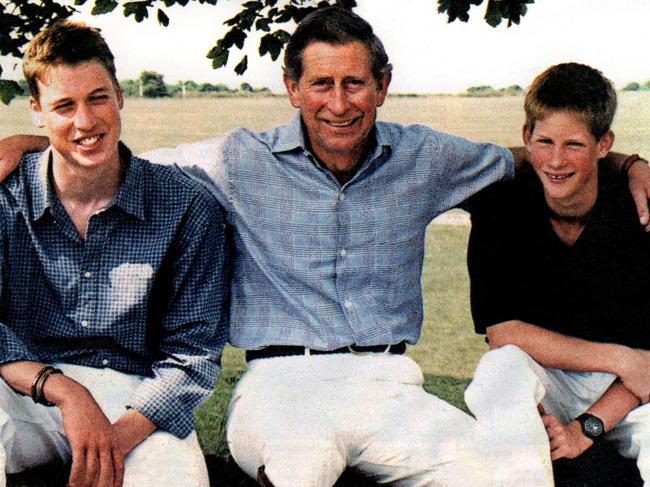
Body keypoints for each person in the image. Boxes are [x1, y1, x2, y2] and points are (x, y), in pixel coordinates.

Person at [2, 8, 650, 487]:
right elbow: (119, 159)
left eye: (354, 84)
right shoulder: (237, 159)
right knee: (300, 461)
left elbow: (539, 160)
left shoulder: (427, 156)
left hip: (391, 382)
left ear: (383, 85)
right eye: (320, 84)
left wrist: (625, 163)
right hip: (281, 384)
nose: (338, 104)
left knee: (512, 472)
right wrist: (26, 145)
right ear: (292, 88)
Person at [0, 21, 228, 487]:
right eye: (64, 105)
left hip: (136, 400)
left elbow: (193, 354)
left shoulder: (186, 207)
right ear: (37, 111)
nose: (85, 121)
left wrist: (111, 439)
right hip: (23, 387)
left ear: (120, 95)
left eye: (97, 97)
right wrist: (65, 392)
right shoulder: (6, 197)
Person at [464, 62, 650, 487]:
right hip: (555, 375)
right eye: (544, 141)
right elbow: (503, 333)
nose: (556, 160)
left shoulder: (637, 211)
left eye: (574, 145)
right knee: (500, 371)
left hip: (631, 391)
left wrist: (585, 429)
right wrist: (619, 357)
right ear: (526, 138)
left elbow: (647, 368)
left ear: (605, 145)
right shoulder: (501, 203)